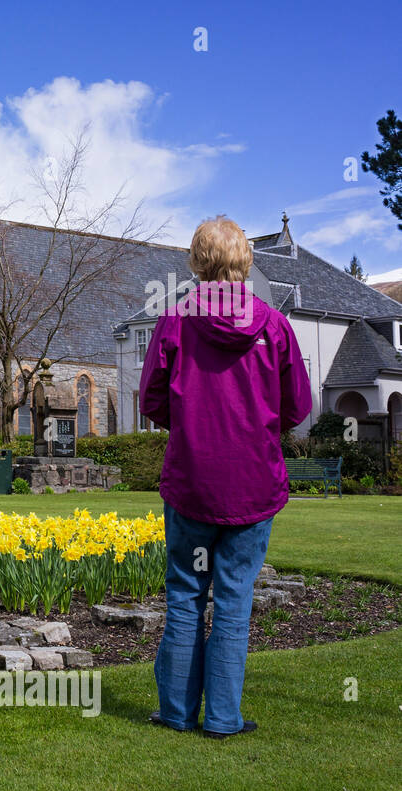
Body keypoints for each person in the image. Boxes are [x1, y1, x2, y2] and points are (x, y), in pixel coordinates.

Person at [139, 215, 312, 739]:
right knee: (234, 598)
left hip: (193, 479)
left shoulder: (175, 321)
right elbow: (296, 406)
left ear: (196, 262)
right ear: (246, 262)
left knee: (186, 592)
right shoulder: (274, 325)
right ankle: (221, 718)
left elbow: (151, 400)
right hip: (253, 483)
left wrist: (192, 425)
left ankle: (175, 712)